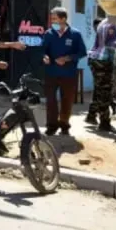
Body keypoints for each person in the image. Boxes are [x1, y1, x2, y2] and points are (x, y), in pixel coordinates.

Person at [43, 7, 87, 136]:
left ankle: (64, 125)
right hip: (51, 73)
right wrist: (44, 57)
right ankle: (51, 126)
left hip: (69, 74)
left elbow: (82, 52)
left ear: (63, 19)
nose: (52, 21)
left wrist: (67, 58)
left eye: (55, 18)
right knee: (50, 101)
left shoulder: (75, 34)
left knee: (67, 101)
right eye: (52, 19)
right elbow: (42, 50)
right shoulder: (49, 34)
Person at [87, 18, 116, 133]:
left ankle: (92, 116)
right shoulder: (112, 25)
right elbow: (109, 43)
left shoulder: (106, 21)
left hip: (98, 59)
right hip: (102, 60)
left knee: (100, 90)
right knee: (104, 92)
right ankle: (104, 123)